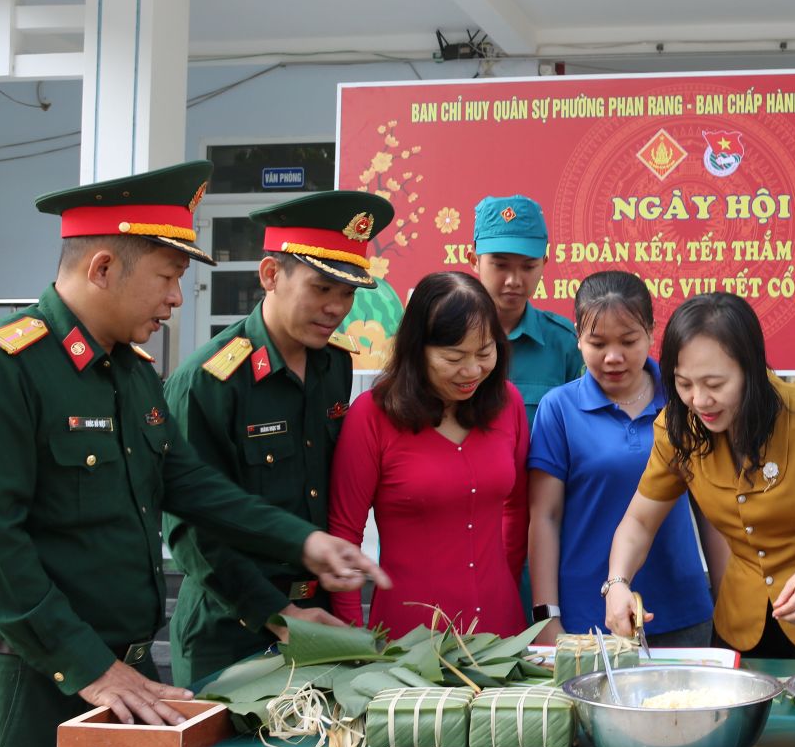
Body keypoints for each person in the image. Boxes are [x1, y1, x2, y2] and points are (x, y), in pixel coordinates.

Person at [0, 161, 388, 747]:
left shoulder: (132, 373)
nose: (177, 296)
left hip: (129, 677)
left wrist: (303, 541)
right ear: (104, 268)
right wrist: (92, 669)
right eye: (168, 276)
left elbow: (188, 483)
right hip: (36, 682)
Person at [163, 190, 395, 686]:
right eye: (321, 288)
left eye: (348, 293)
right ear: (270, 275)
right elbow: (190, 530)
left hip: (318, 618)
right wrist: (277, 614)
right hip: (233, 627)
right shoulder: (209, 381)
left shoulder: (335, 364)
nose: (336, 307)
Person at [603, 292, 795, 659]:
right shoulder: (679, 430)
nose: (699, 401)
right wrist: (618, 582)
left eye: (715, 384)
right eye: (684, 384)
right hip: (741, 627)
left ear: (752, 368)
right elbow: (639, 522)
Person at [328, 271, 529, 638]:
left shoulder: (507, 403)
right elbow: (344, 538)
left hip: (501, 633)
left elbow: (516, 509)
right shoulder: (371, 416)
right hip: (408, 641)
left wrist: (507, 578)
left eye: (484, 353)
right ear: (417, 349)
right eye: (454, 357)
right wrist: (352, 638)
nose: (472, 371)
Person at [527, 271, 716, 646]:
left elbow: (712, 511)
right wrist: (547, 616)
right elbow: (544, 518)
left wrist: (728, 601)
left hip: (682, 610)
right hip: (589, 618)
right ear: (578, 337)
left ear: (650, 331)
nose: (614, 357)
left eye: (629, 341)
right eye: (597, 343)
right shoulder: (559, 409)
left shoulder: (683, 401)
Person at [468, 194, 583, 424]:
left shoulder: (565, 343)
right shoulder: (447, 338)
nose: (514, 280)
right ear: (474, 261)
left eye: (528, 266)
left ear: (544, 264)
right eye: (500, 265)